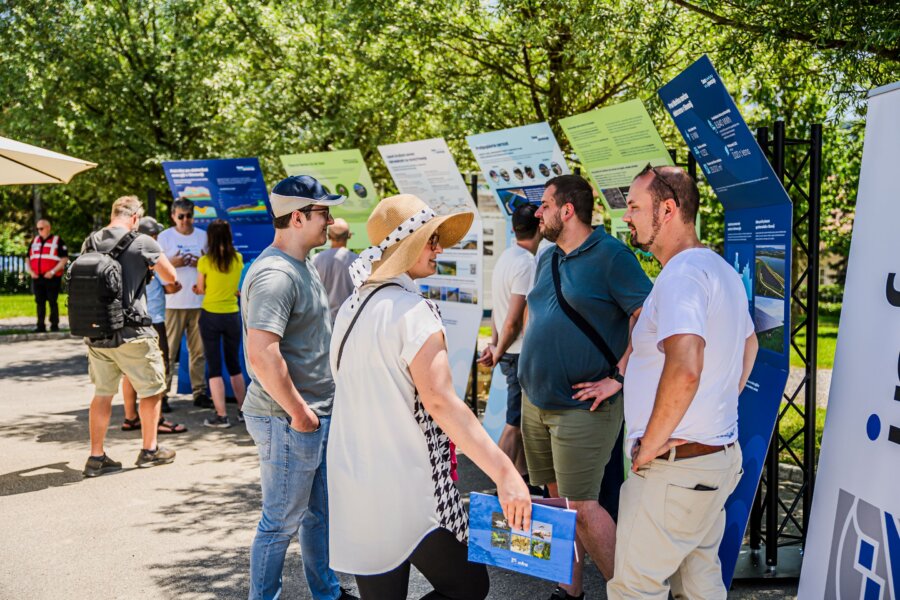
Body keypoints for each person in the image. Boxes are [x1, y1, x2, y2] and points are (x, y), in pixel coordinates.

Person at [328, 194, 532, 600]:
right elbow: (441, 402)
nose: (439, 248)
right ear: (408, 246)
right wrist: (505, 473)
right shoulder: (414, 310)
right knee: (468, 586)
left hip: (355, 481)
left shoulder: (352, 307)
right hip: (409, 485)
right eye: (431, 239)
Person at [607, 165, 757, 599]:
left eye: (634, 207)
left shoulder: (682, 275)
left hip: (675, 469)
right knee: (699, 584)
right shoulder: (720, 270)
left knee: (635, 589)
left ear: (668, 209)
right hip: (711, 461)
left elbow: (686, 365)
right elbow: (749, 346)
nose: (626, 217)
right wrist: (713, 407)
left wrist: (651, 445)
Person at [518, 175, 652, 600]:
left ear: (568, 210)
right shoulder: (548, 256)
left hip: (581, 407)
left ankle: (634, 595)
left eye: (545, 205)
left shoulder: (611, 256)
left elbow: (649, 316)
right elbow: (537, 311)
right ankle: (568, 590)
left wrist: (619, 377)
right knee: (559, 507)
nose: (538, 212)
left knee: (582, 507)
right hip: (536, 400)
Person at [241, 175, 356, 600]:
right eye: (323, 212)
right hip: (289, 419)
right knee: (279, 523)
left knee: (317, 515)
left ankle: (327, 593)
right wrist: (300, 413)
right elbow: (262, 354)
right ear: (296, 217)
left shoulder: (302, 262)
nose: (330, 220)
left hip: (310, 415)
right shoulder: (275, 274)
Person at [80, 196, 180, 477]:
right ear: (135, 217)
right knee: (152, 390)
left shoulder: (90, 241)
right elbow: (171, 276)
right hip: (134, 333)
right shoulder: (144, 242)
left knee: (102, 394)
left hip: (98, 332)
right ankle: (150, 450)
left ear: (113, 214)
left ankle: (96, 457)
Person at [477, 203, 541, 483]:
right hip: (517, 353)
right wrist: (498, 350)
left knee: (523, 421)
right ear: (539, 228)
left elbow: (498, 310)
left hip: (507, 351)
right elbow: (514, 320)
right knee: (514, 423)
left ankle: (524, 478)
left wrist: (494, 346)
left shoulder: (506, 256)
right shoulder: (526, 263)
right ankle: (499, 483)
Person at [121, 217, 187, 432]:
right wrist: (175, 283)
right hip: (153, 320)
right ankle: (157, 418)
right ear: (151, 236)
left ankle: (130, 417)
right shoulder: (151, 257)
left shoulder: (125, 255)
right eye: (156, 235)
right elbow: (171, 283)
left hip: (129, 319)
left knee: (130, 370)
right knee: (158, 367)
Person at [158, 198, 210, 407]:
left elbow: (211, 264)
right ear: (173, 216)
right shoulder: (165, 237)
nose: (185, 220)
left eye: (189, 216)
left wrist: (201, 263)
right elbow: (155, 266)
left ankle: (199, 392)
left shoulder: (203, 236)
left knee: (199, 351)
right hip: (173, 303)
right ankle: (162, 395)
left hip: (198, 302)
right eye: (181, 216)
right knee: (168, 352)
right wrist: (174, 262)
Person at [193, 219, 246, 428]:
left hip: (210, 315)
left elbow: (200, 288)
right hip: (232, 314)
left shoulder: (204, 261)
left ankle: (221, 416)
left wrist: (200, 289)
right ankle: (243, 411)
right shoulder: (238, 258)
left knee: (214, 367)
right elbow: (236, 288)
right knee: (234, 365)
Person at [312, 217, 359, 323]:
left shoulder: (316, 259)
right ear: (349, 236)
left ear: (328, 236)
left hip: (323, 322)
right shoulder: (357, 261)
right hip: (349, 322)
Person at [28, 218, 68, 332]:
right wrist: (31, 272)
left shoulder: (57, 241)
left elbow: (64, 259)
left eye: (41, 228)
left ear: (48, 228)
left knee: (52, 301)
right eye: (37, 229)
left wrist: (52, 272)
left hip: (52, 277)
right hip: (37, 277)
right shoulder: (34, 241)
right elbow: (28, 258)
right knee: (39, 302)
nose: (39, 231)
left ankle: (54, 325)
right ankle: (40, 326)